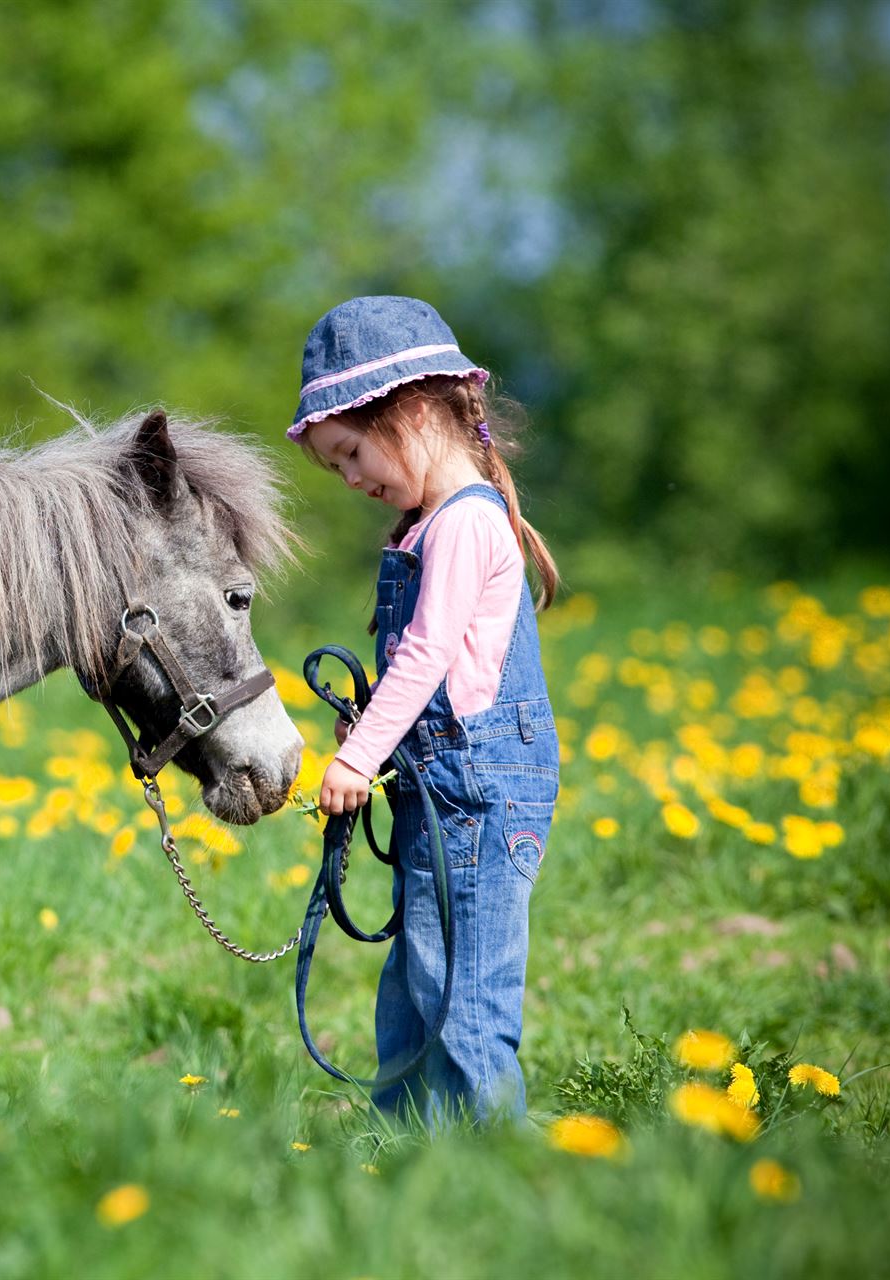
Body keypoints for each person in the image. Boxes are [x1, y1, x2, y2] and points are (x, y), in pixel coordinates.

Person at [288, 295, 562, 1124]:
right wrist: (376, 729)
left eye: (351, 452)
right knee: (414, 985)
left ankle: (488, 1162)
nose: (352, 478)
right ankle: (404, 1145)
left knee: (464, 999)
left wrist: (357, 756)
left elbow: (429, 654)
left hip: (476, 800)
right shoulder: (426, 526)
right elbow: (429, 681)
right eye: (338, 466)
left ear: (408, 410)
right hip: (438, 793)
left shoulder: (465, 524)